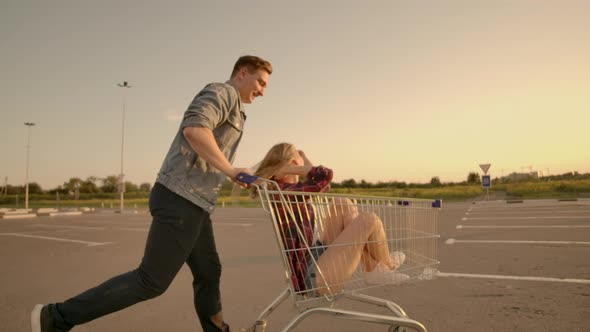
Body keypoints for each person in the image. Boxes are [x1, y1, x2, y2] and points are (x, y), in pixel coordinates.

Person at [31, 55, 273, 332]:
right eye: (260, 82)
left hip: (196, 203)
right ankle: (56, 317)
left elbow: (213, 153)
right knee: (150, 281)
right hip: (180, 197)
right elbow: (195, 130)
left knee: (208, 271)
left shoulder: (238, 110)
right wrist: (230, 170)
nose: (262, 90)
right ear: (243, 72)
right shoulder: (222, 92)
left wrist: (245, 171)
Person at [251, 143, 406, 296]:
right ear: (292, 162)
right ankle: (386, 265)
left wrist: (301, 159)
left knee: (342, 203)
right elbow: (324, 175)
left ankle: (376, 268)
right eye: (298, 155)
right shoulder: (285, 193)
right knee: (369, 220)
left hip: (316, 256)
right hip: (313, 276)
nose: (302, 157)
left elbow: (325, 186)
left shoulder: (291, 190)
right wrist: (288, 168)